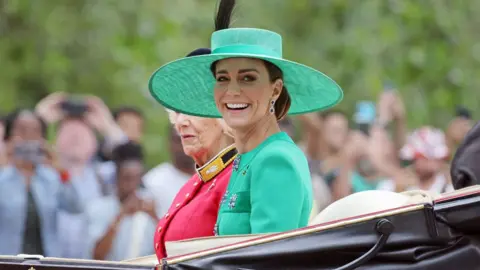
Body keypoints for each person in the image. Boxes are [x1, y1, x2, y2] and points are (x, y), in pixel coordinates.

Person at [148, 0, 343, 236]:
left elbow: (266, 260)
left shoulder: (275, 159)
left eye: (248, 78)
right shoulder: (247, 158)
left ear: (275, 89)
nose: (232, 91)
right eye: (222, 78)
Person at [153, 47, 237, 260]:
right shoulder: (193, 184)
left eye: (193, 110)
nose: (181, 122)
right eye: (179, 111)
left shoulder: (240, 178)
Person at [0, 109, 83, 256]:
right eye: (22, 131)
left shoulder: (51, 179)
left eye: (35, 132)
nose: (28, 137)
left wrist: (59, 167)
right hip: (7, 261)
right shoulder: (3, 178)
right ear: (9, 136)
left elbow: (75, 207)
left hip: (46, 260)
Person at [86, 142, 156, 261]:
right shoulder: (98, 208)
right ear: (117, 178)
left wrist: (154, 216)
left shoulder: (150, 206)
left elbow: (167, 250)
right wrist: (121, 215)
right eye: (127, 178)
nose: (132, 186)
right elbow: (97, 255)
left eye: (136, 178)